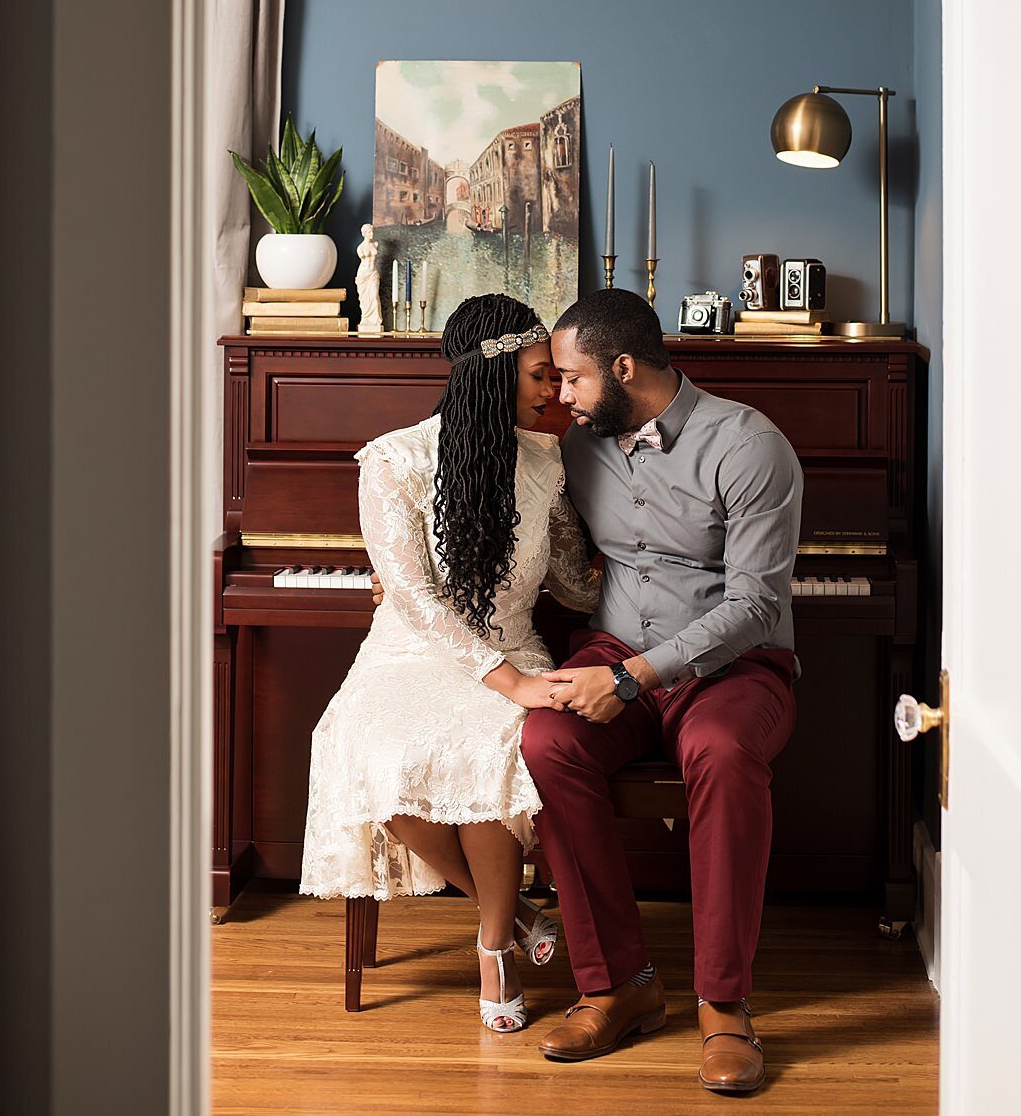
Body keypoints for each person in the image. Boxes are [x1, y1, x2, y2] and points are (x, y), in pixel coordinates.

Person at [521, 288, 802, 1096]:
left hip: (733, 665)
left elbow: (755, 604)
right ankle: (617, 985)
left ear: (623, 367)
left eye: (571, 377)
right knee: (546, 741)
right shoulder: (579, 442)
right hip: (617, 649)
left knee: (719, 750)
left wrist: (637, 675)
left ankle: (724, 1004)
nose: (559, 395)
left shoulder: (749, 445)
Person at [299, 293, 600, 1033]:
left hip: (513, 641)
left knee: (487, 749)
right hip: (410, 652)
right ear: (493, 375)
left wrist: (646, 555)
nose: (554, 389)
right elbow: (415, 598)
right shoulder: (393, 459)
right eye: (539, 374)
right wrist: (513, 680)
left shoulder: (546, 459)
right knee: (373, 754)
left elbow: (573, 583)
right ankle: (519, 908)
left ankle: (494, 943)